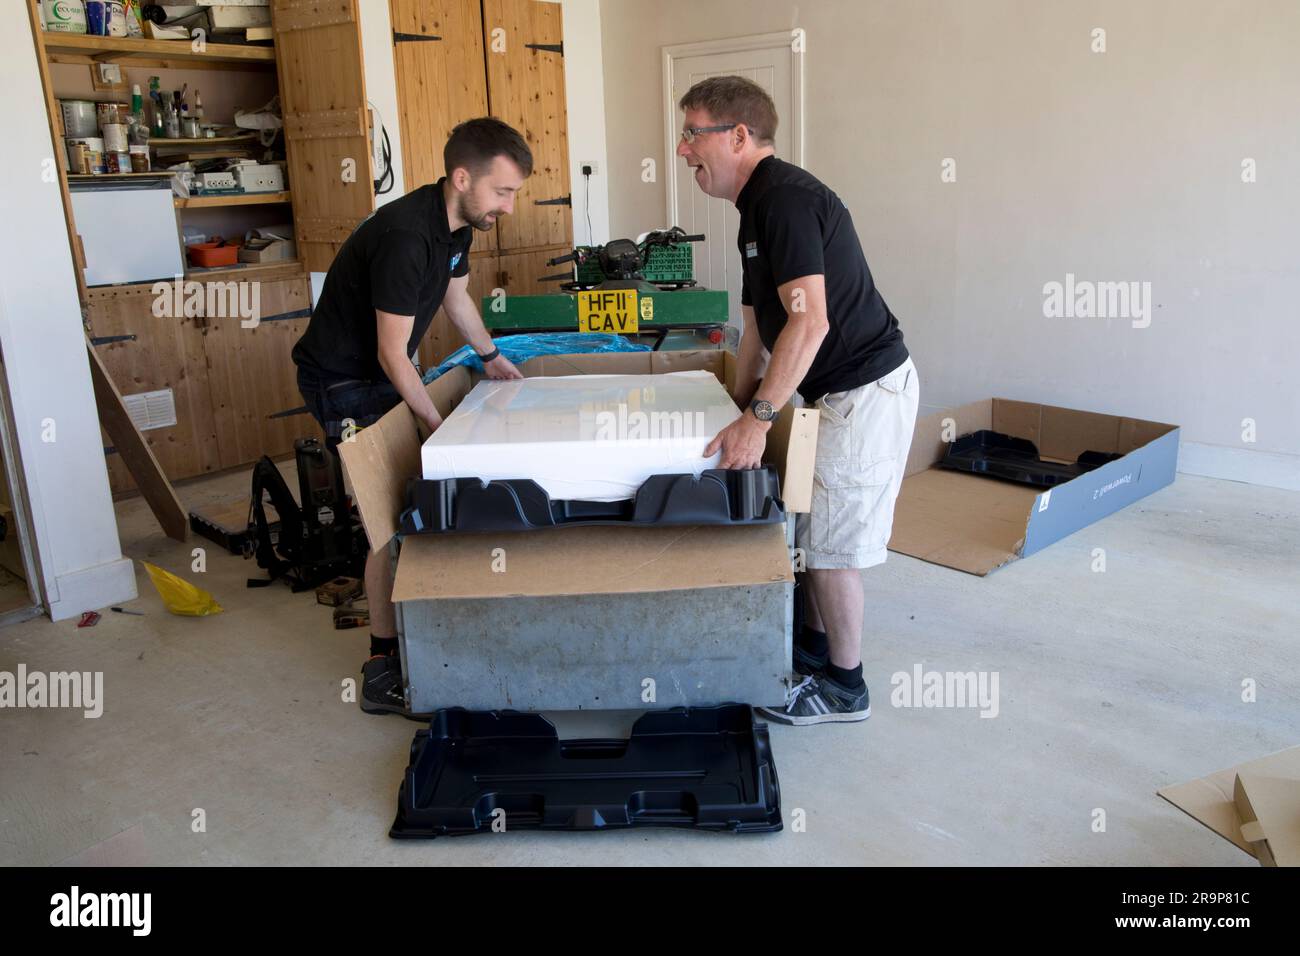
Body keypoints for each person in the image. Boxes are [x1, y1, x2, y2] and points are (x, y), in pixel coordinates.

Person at [680, 76, 920, 725]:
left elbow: (809, 322)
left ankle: (846, 686)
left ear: (737, 136)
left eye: (692, 133)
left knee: (836, 545)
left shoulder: (783, 200)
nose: (681, 150)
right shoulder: (755, 209)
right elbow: (760, 321)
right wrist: (732, 401)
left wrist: (759, 419)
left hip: (861, 389)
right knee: (809, 530)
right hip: (823, 391)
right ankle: (813, 654)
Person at [293, 117, 531, 716]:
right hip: (343, 379)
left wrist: (493, 356)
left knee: (412, 493)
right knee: (384, 514)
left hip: (380, 371)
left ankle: (429, 627)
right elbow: (391, 354)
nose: (507, 206)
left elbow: (456, 298)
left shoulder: (458, 227)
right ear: (461, 177)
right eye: (502, 192)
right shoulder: (406, 236)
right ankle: (381, 663)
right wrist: (434, 423)